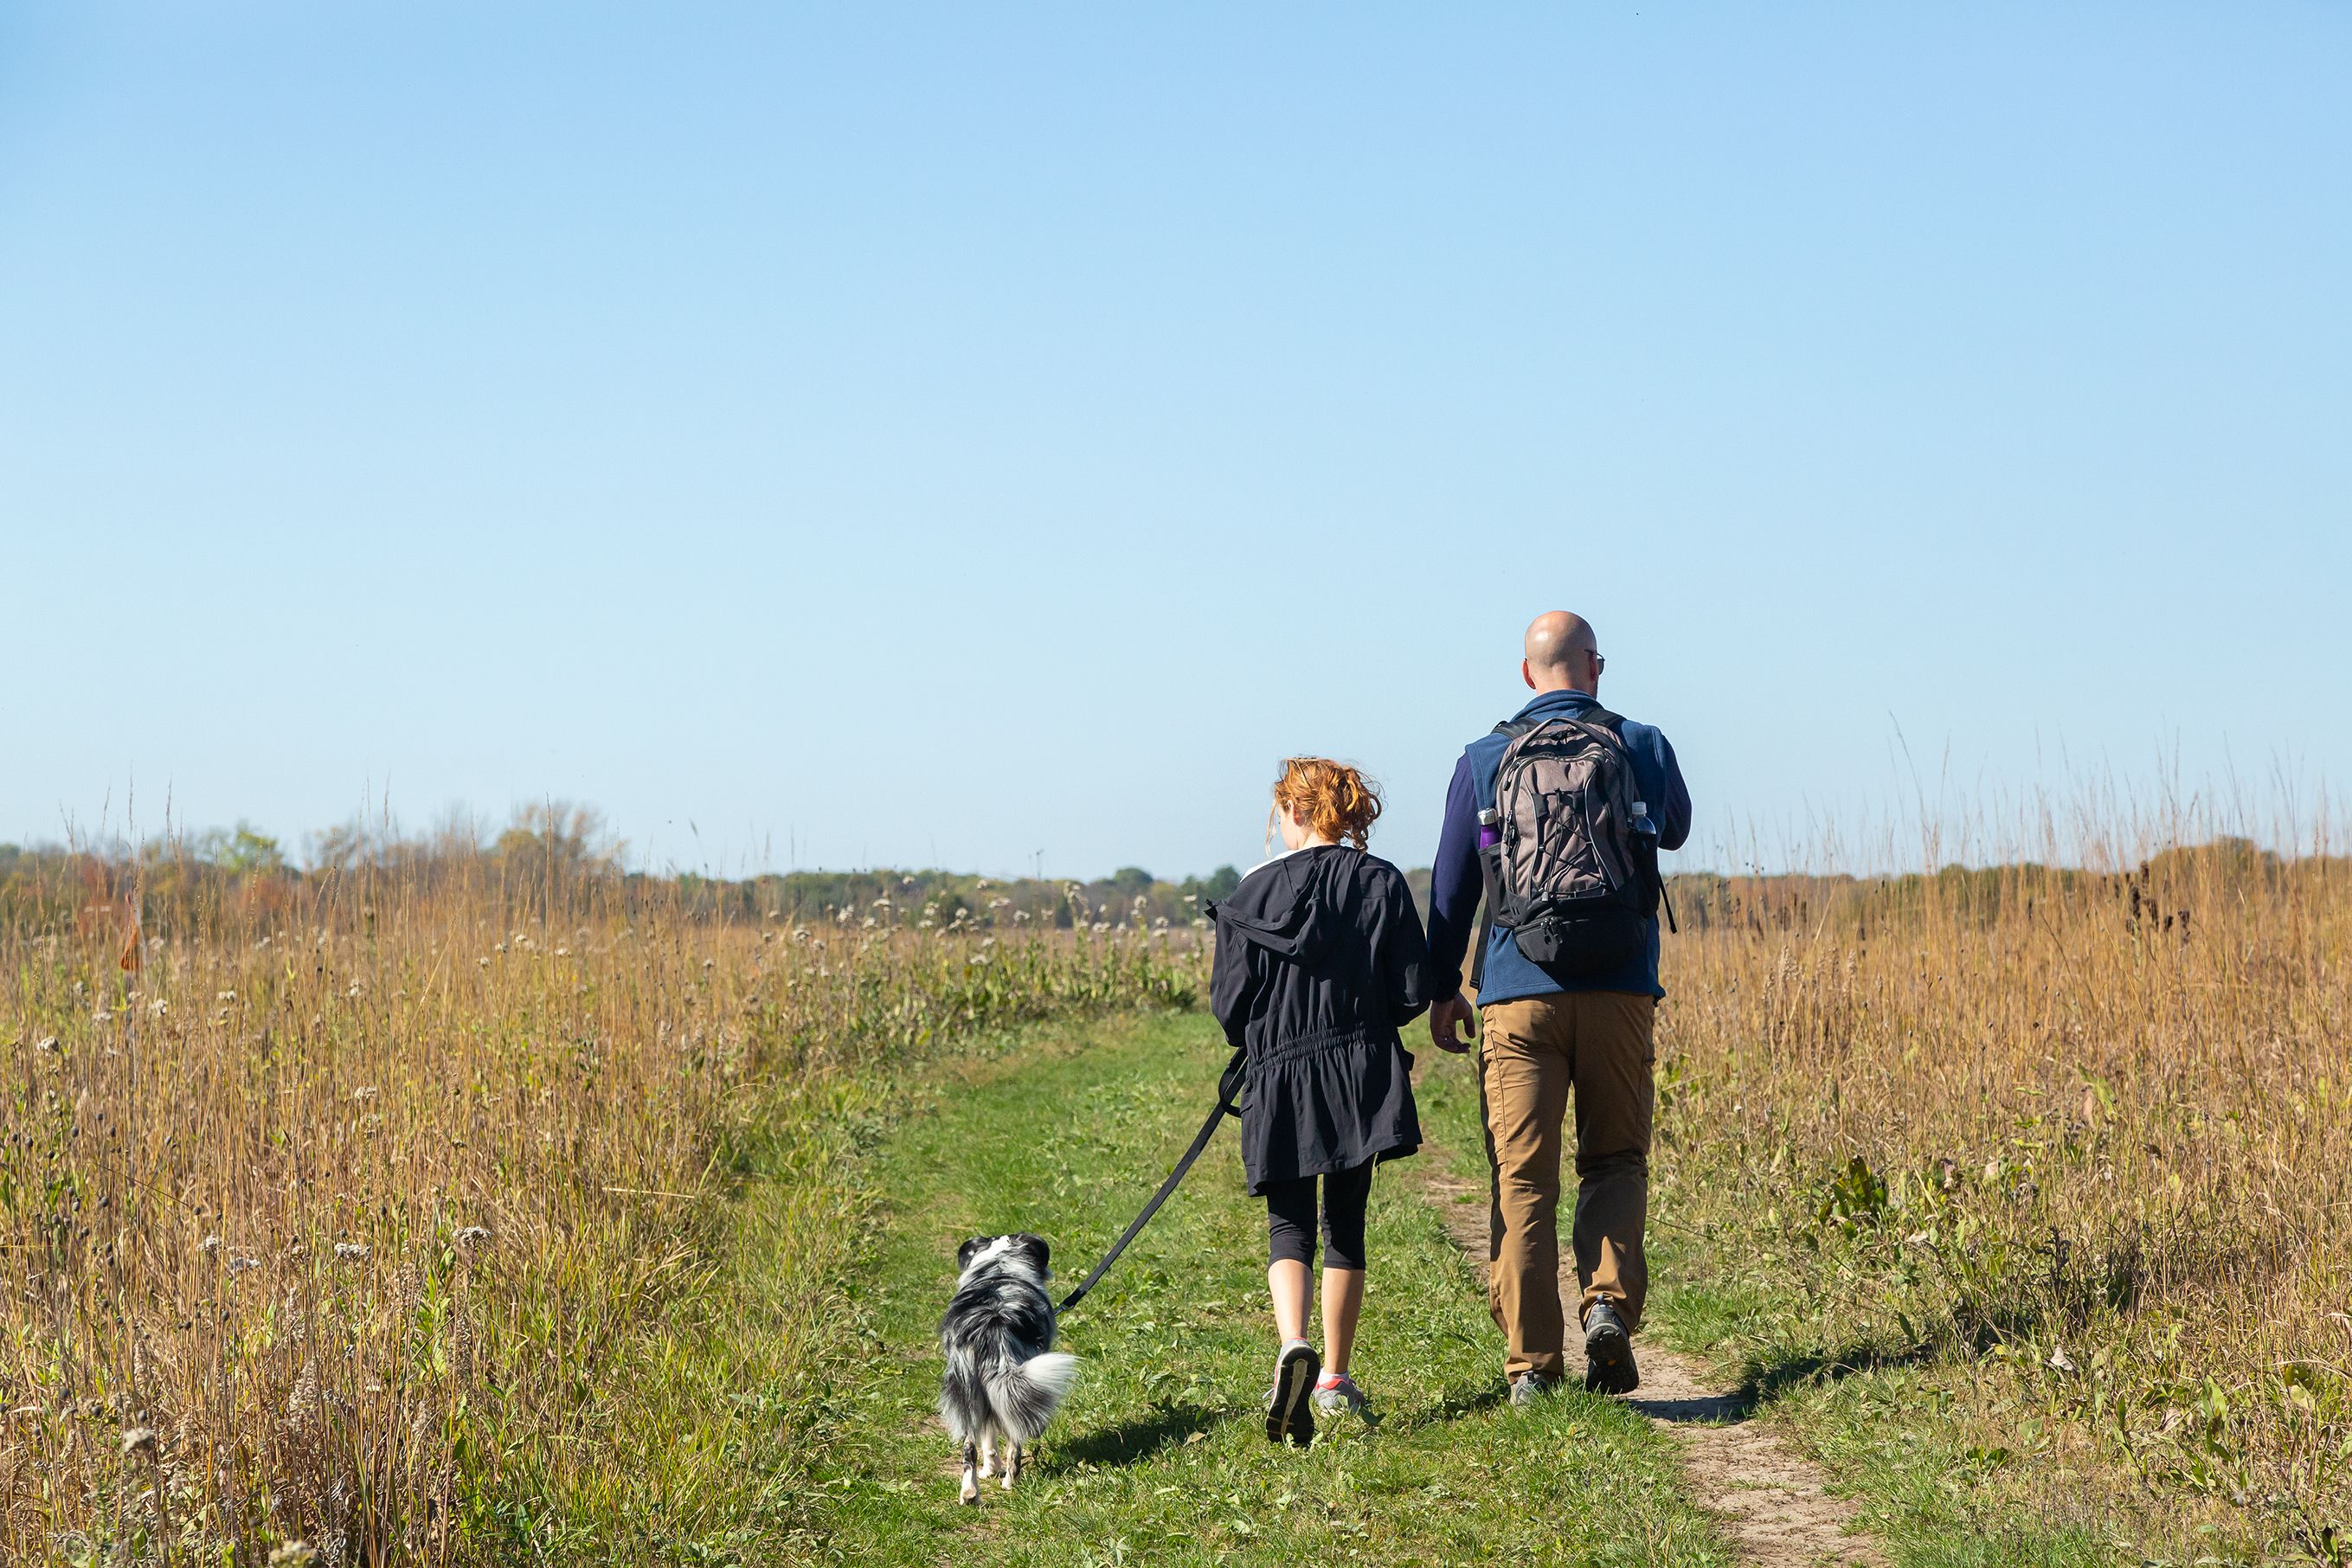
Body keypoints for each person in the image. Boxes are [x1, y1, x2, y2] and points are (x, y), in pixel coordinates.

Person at [1423, 611, 1691, 1401]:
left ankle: (1533, 1367)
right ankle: (1606, 1303)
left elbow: (1449, 891)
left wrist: (1443, 989)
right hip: (1619, 988)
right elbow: (1673, 829)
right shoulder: (1639, 744)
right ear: (1595, 668)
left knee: (1523, 1179)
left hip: (1516, 993)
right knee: (1613, 1160)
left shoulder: (1481, 759)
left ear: (1526, 673)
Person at [1210, 757, 1430, 1446]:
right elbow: (1411, 991)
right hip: (1359, 1067)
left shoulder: (1251, 893)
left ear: (1295, 812)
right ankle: (1333, 1379)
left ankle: (1290, 1347)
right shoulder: (1381, 881)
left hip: (1279, 1072)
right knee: (1348, 1221)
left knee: (1289, 1223)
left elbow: (1230, 1008)